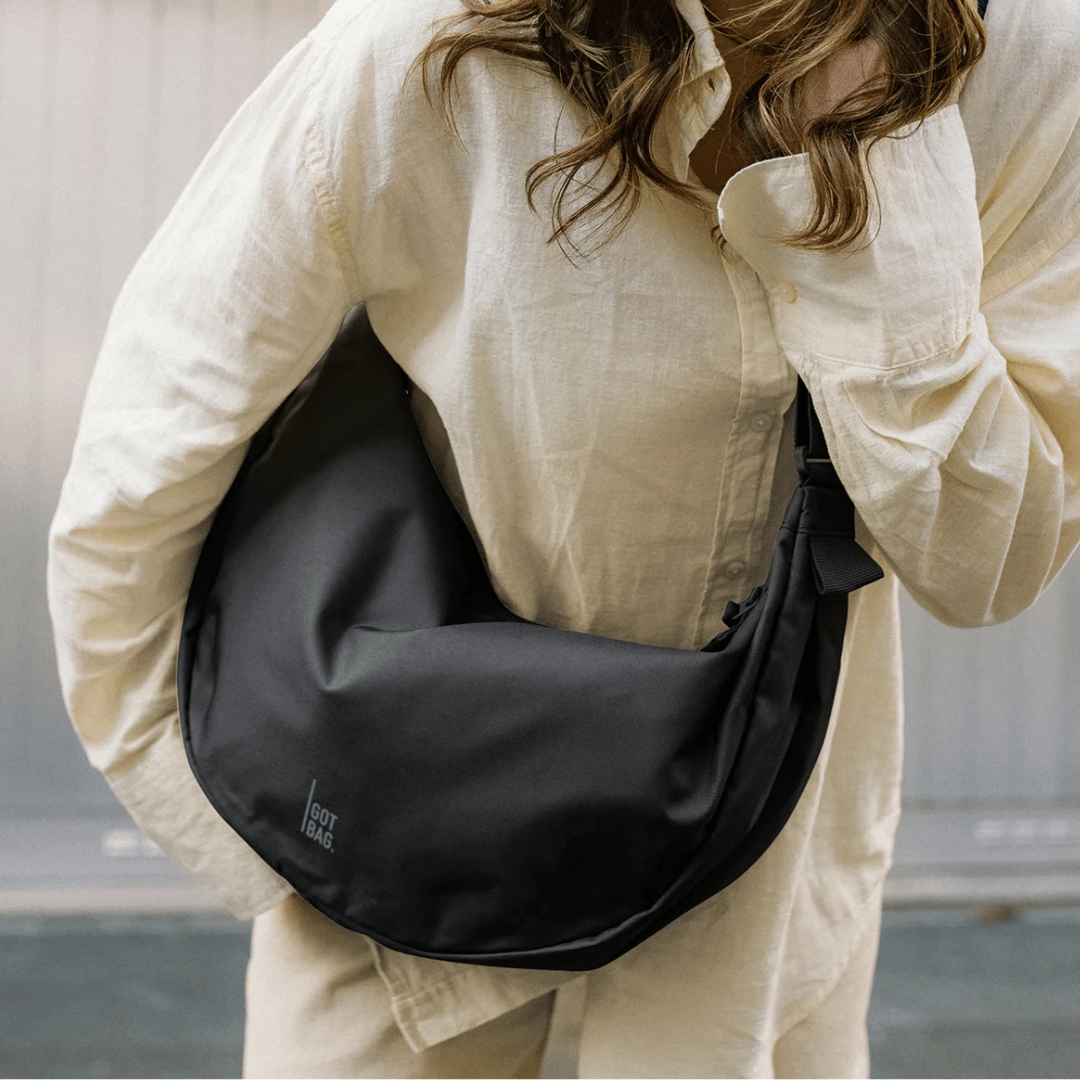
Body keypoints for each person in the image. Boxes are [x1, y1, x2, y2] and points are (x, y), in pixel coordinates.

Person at [46, 0, 1080, 1076]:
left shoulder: (1025, 62)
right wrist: (273, 848)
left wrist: (879, 201)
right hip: (394, 930)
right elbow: (143, 466)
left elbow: (989, 562)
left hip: (753, 927)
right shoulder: (424, 44)